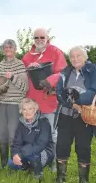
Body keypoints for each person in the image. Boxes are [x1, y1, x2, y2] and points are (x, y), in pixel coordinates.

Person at [54, 46, 96, 183]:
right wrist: (71, 104)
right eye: (72, 56)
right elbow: (59, 91)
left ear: (85, 57)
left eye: (78, 56)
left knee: (83, 148)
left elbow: (95, 90)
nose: (75, 59)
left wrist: (79, 101)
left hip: (84, 117)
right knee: (62, 145)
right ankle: (60, 178)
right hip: (65, 115)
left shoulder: (93, 71)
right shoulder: (65, 71)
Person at [21, 27, 67, 172]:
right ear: (33, 40)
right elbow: (23, 77)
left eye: (42, 37)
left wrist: (50, 80)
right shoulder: (28, 56)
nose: (39, 40)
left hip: (49, 100)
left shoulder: (55, 52)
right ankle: (36, 161)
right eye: (36, 38)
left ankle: (53, 163)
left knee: (52, 134)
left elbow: (63, 73)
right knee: (33, 133)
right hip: (32, 102)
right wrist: (30, 67)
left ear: (48, 38)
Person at [0, 39, 29, 171]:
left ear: (15, 49)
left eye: (11, 48)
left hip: (14, 104)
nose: (8, 50)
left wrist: (13, 77)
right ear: (3, 50)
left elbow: (25, 88)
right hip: (0, 103)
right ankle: (3, 163)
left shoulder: (20, 65)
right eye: (6, 47)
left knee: (13, 135)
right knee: (1, 134)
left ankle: (14, 164)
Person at [8, 98, 54, 182]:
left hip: (44, 152)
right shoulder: (21, 123)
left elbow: (41, 144)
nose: (27, 112)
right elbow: (17, 143)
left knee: (33, 156)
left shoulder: (44, 122)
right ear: (21, 111)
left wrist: (21, 154)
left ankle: (38, 176)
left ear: (35, 109)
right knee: (11, 163)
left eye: (30, 108)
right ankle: (29, 169)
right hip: (26, 151)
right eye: (24, 109)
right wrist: (15, 155)